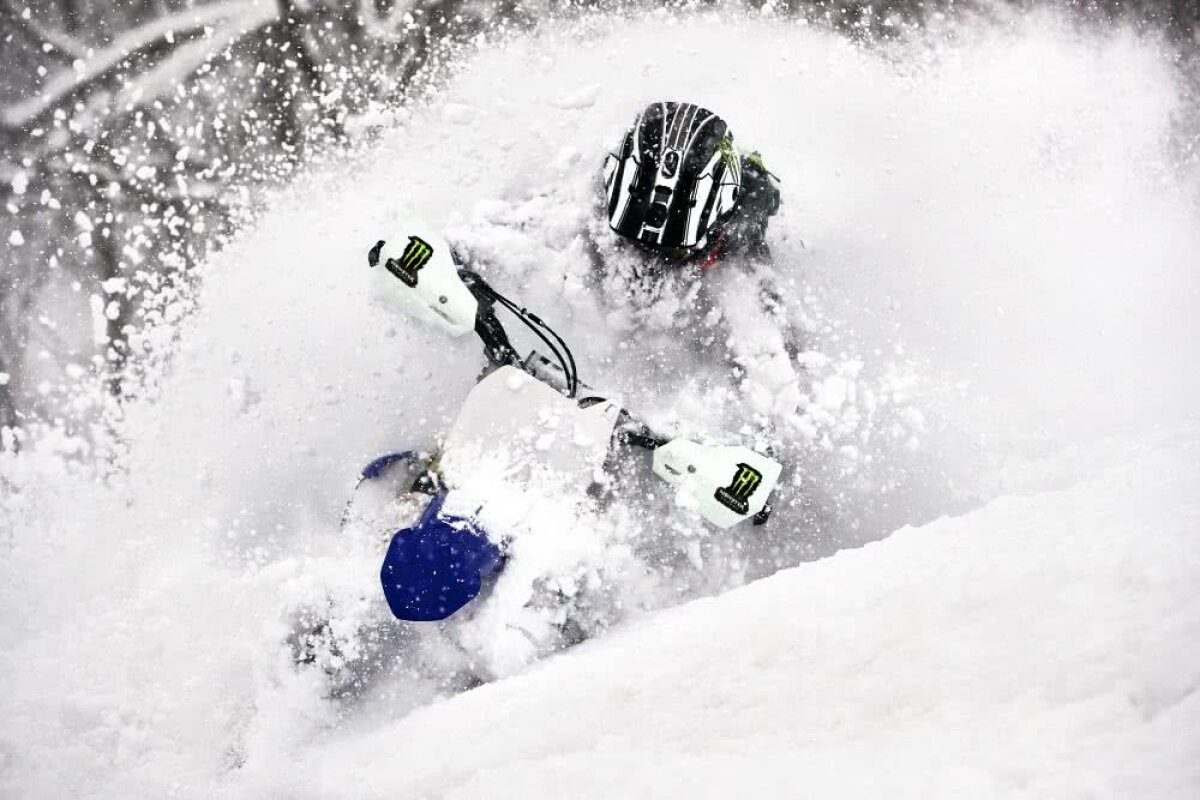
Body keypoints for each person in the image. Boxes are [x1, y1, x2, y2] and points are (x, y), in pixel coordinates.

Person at [601, 100, 781, 269]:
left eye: (673, 253)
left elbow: (762, 278)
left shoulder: (746, 210)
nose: (651, 265)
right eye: (635, 244)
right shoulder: (608, 192)